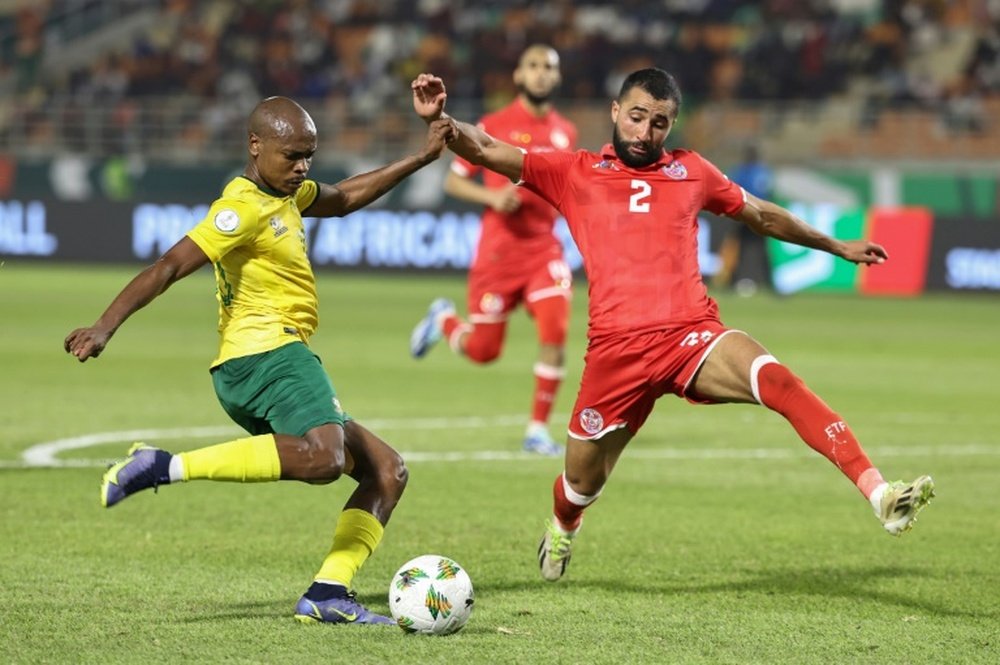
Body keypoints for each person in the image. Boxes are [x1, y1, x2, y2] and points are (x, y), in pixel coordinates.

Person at [411, 69, 935, 582]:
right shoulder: (574, 171)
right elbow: (489, 150)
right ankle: (565, 524)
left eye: (659, 123)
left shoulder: (692, 172)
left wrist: (835, 245)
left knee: (777, 380)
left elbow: (761, 215)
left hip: (691, 335)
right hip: (615, 353)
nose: (645, 132)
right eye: (636, 117)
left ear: (672, 125)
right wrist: (445, 122)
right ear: (616, 112)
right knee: (579, 481)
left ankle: (879, 492)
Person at [65, 96, 455, 622]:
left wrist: (422, 156)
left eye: (309, 157)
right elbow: (169, 266)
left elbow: (343, 197)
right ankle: (163, 466)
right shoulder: (242, 207)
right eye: (292, 156)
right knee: (326, 458)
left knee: (387, 471)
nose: (302, 168)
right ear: (255, 146)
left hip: (268, 359)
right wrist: (104, 326)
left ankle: (326, 594)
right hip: (266, 354)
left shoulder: (287, 195)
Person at [409, 44, 578, 456]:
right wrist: (492, 199)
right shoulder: (494, 123)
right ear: (519, 76)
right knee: (484, 351)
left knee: (556, 331)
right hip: (499, 255)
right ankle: (445, 321)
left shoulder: (565, 133)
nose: (541, 74)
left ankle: (537, 430)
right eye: (533, 66)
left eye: (549, 68)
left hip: (544, 250)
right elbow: (454, 182)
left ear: (556, 78)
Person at [713, 143, 775, 296]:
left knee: (746, 249)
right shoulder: (762, 172)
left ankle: (735, 282)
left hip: (746, 215)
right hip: (752, 216)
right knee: (752, 250)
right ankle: (770, 285)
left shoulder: (742, 171)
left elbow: (732, 191)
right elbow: (767, 193)